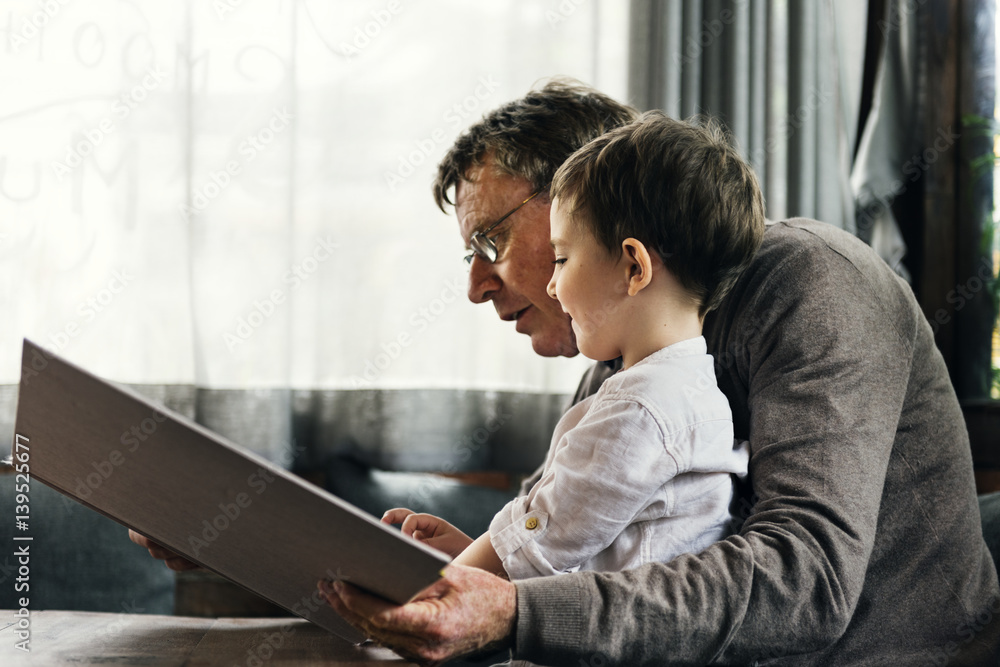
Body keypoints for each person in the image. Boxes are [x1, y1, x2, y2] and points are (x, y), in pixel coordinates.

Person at [316, 80, 1000, 665]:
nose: (474, 285)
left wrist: (516, 610)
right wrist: (477, 579)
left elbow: (807, 580)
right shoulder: (626, 356)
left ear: (584, 197)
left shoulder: (814, 283)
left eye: (489, 240)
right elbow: (566, 550)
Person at [380, 112, 763, 584]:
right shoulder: (693, 391)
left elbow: (543, 539)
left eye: (562, 258)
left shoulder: (641, 410)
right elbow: (580, 542)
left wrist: (432, 589)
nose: (555, 286)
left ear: (633, 268)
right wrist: (470, 552)